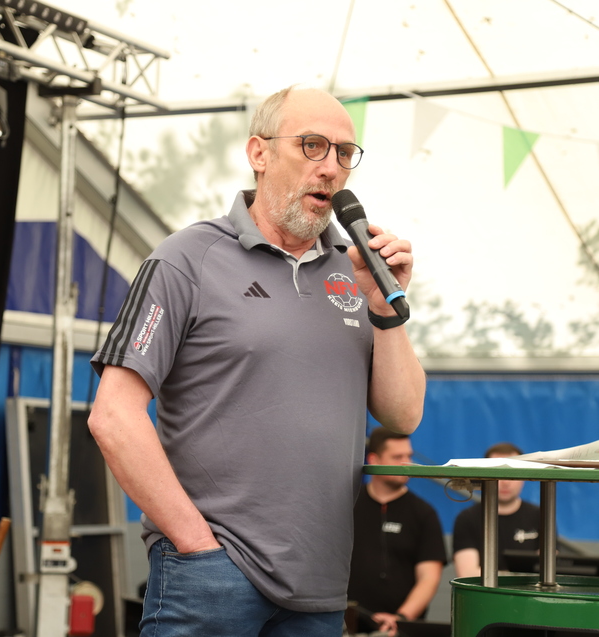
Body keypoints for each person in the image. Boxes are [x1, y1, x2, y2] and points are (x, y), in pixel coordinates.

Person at [87, 86, 426, 637]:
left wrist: (385, 307)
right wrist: (197, 545)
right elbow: (113, 416)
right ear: (259, 153)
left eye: (344, 152)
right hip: (212, 576)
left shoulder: (355, 270)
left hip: (320, 587)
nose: (331, 167)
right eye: (312, 145)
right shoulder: (187, 259)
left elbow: (404, 415)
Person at [347, 429, 446, 636]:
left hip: (402, 629)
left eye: (409, 456)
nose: (406, 463)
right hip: (346, 624)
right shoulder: (348, 505)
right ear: (374, 460)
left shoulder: (423, 513)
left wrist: (401, 618)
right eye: (397, 457)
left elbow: (429, 577)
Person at [452, 442, 541, 577]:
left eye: (512, 472)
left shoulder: (541, 516)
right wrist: (518, 577)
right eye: (497, 472)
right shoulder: (467, 519)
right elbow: (468, 574)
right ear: (484, 476)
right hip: (485, 591)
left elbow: (548, 568)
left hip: (529, 591)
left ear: (524, 476)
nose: (505, 481)